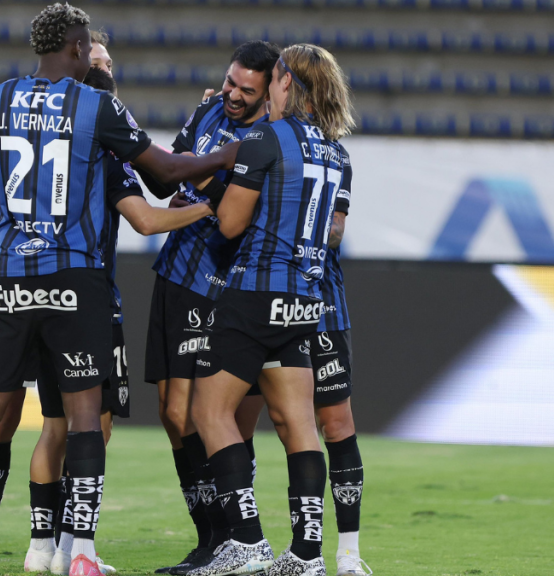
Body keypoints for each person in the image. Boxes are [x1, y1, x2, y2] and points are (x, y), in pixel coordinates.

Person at [0, 4, 240, 576]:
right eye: (89, 46)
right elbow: (166, 174)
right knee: (85, 417)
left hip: (10, 275)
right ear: (76, 49)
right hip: (75, 277)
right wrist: (231, 153)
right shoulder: (97, 106)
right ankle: (83, 555)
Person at [187, 43, 356, 576]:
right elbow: (331, 231)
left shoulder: (266, 138)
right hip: (305, 299)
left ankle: (247, 541)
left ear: (285, 82)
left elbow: (230, 224)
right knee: (297, 422)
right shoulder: (337, 153)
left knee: (209, 412)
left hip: (256, 292)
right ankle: (307, 554)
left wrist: (207, 185)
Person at [132, 40, 280, 576]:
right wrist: (186, 182)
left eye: (247, 90)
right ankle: (211, 540)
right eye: (230, 83)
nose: (233, 96)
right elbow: (169, 173)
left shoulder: (270, 138)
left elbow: (237, 213)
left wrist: (196, 179)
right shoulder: (208, 109)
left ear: (268, 93)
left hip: (224, 283)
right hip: (176, 270)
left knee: (215, 418)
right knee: (171, 414)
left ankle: (232, 538)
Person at [233, 205, 371, 576]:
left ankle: (348, 554)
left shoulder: (332, 167)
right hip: (258, 300)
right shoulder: (260, 163)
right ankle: (245, 543)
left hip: (321, 307)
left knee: (336, 423)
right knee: (239, 420)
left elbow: (336, 232)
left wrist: (278, 230)